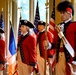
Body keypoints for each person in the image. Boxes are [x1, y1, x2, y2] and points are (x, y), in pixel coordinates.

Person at [54, 1, 76, 75]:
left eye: (63, 12)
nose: (61, 15)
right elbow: (55, 43)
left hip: (71, 58)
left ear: (69, 12)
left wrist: (75, 61)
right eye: (60, 13)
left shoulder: (74, 26)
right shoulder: (58, 26)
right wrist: (49, 45)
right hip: (59, 58)